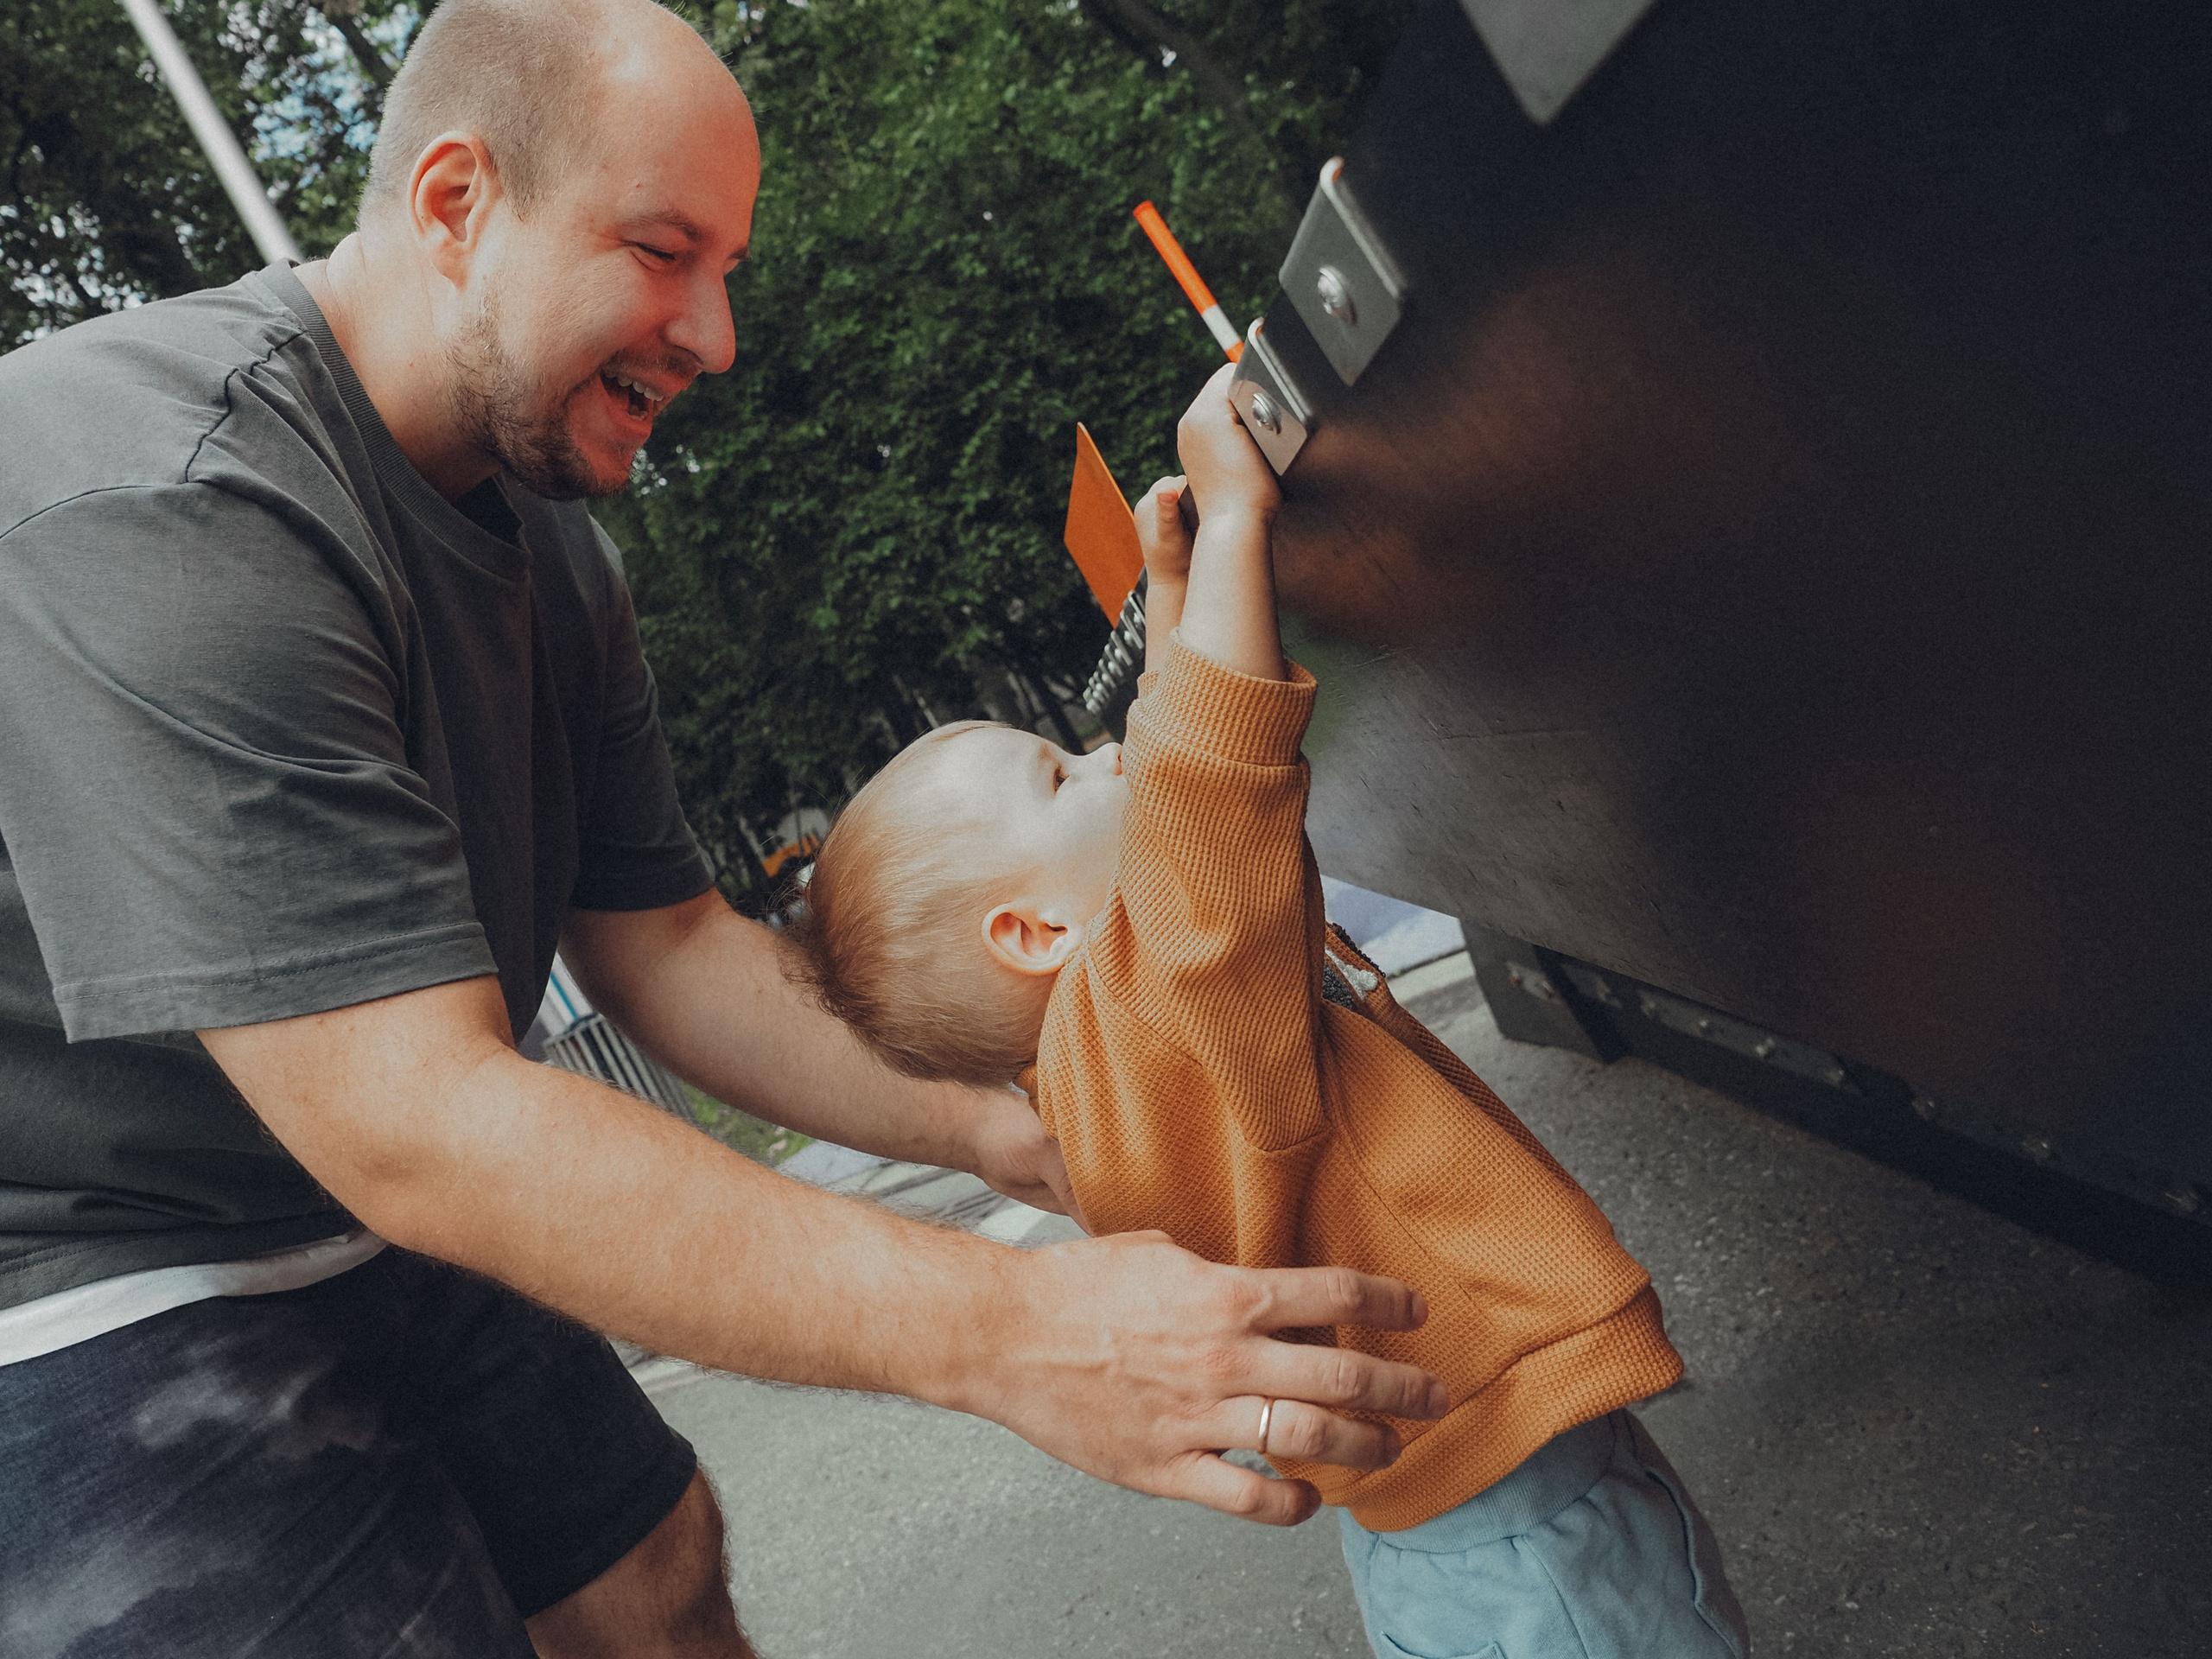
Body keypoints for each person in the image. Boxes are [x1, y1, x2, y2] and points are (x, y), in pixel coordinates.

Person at [0, 3, 1453, 1655]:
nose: (716, 333)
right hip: (76, 1267)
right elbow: (413, 1124)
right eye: (663, 250)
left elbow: (674, 945)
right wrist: (1015, 1329)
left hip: (347, 1177)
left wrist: (1007, 1131)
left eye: (729, 267)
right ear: (456, 204)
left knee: (652, 1569)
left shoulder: (550, 558)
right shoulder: (169, 505)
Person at [785, 363, 1755, 1659]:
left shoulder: (1114, 1070)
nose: (1111, 753)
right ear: (1036, 932)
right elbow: (1208, 791)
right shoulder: (1155, 1016)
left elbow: (1180, 795)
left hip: (1444, 1522)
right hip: (1529, 1542)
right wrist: (1236, 521)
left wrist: (1177, 597)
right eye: (1060, 773)